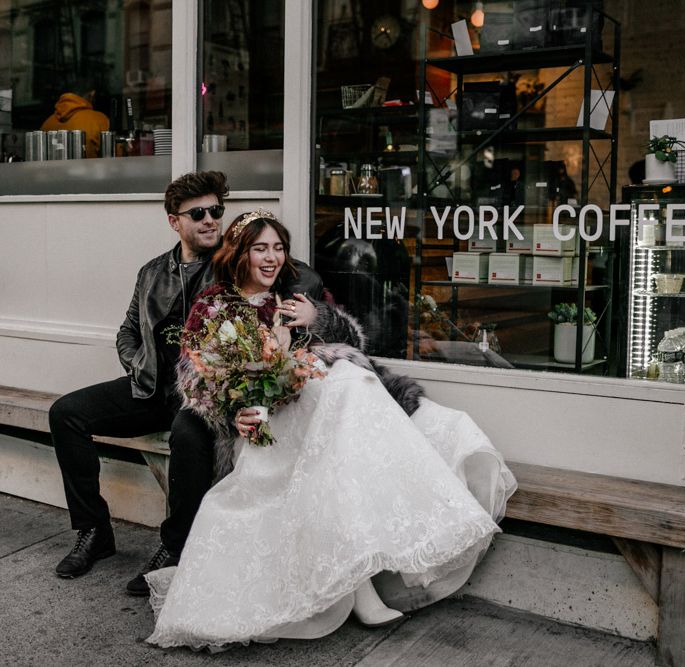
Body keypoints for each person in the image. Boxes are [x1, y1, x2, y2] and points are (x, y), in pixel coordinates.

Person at [144, 210, 517, 649]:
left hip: (318, 416)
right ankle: (361, 591)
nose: (271, 259)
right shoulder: (215, 305)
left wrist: (317, 318)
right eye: (260, 249)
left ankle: (362, 584)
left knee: (369, 396)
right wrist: (234, 413)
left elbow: (352, 345)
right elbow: (195, 382)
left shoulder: (293, 297)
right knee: (343, 395)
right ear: (240, 253)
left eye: (279, 249)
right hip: (265, 428)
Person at [49, 172, 323, 596]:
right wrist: (138, 363)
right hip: (151, 386)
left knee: (188, 435)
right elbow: (127, 329)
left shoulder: (233, 262)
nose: (211, 220)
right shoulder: (152, 272)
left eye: (216, 211)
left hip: (206, 395)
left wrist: (302, 309)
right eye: (198, 213)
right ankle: (93, 532)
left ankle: (173, 547)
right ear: (174, 221)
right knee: (66, 413)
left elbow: (294, 273)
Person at [40, 80, 110, 158]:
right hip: (89, 169)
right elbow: (115, 155)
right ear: (92, 94)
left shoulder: (47, 123)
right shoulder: (99, 120)